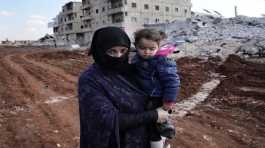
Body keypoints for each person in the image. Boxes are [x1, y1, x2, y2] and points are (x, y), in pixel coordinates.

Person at [78, 26, 170, 148]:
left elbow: (156, 92)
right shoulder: (91, 79)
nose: (118, 56)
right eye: (112, 51)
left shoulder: (133, 70)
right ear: (99, 51)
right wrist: (154, 115)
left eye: (123, 51)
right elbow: (109, 120)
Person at [132, 28, 180, 147]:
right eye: (143, 48)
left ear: (158, 47)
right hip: (143, 97)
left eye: (151, 49)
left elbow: (172, 82)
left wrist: (168, 101)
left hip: (156, 99)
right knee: (146, 124)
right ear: (136, 46)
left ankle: (161, 140)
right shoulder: (136, 58)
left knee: (154, 126)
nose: (147, 52)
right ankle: (162, 140)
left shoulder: (162, 61)